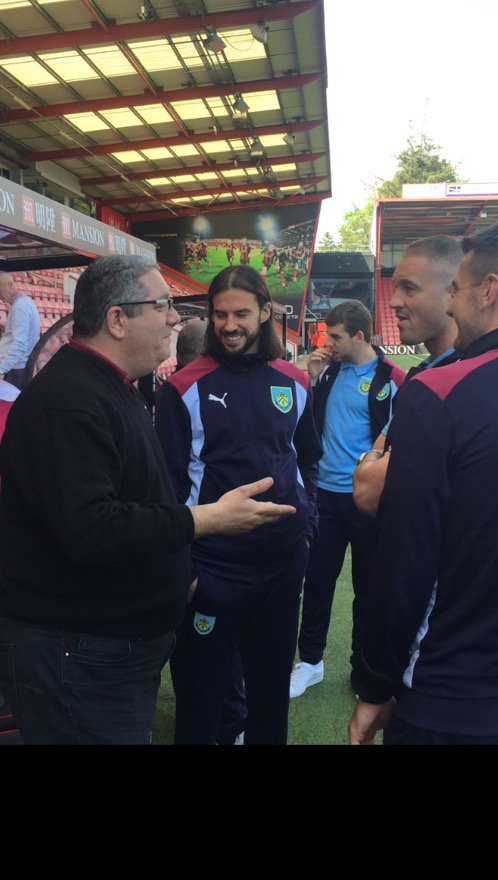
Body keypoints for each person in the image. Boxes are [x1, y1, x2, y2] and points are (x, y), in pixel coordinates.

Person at [0, 256, 296, 745]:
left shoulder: (107, 387)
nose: (177, 319)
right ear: (117, 320)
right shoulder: (68, 400)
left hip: (102, 650)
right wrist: (206, 520)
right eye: (162, 305)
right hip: (78, 655)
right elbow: (93, 530)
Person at [349, 215, 498, 745]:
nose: (449, 304)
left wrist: (374, 684)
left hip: (456, 704)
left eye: (456, 289)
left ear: (488, 292)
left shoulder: (437, 393)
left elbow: (405, 559)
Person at [155, 264, 322, 744]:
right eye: (220, 314)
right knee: (204, 708)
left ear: (266, 311)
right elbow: (165, 488)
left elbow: (307, 458)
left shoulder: (295, 381)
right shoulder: (182, 388)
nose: (230, 325)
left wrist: (306, 526)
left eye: (242, 313)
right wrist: (187, 571)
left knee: (269, 702)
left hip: (281, 569)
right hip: (214, 574)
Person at [290, 300, 406, 698]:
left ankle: (363, 669)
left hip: (368, 501)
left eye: (335, 336)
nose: (328, 342)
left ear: (359, 335)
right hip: (324, 497)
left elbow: (400, 439)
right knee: (317, 580)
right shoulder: (330, 371)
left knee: (369, 589)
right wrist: (313, 379)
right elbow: (306, 426)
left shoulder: (393, 379)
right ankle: (310, 663)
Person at [156, 317, 247, 745]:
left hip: (205, 560)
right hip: (199, 558)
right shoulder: (178, 394)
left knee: (210, 662)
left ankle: (227, 722)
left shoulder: (195, 392)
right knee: (206, 662)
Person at [353, 236, 462, 516]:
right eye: (396, 287)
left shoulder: (457, 385)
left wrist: (371, 459)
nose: (393, 302)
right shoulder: (424, 373)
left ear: (453, 293)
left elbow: (367, 491)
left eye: (409, 289)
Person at [0, 272, 40, 389]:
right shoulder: (25, 303)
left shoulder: (20, 308)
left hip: (14, 371)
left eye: (0, 290)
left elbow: (19, 343)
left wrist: (2, 369)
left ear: (10, 285)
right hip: (16, 369)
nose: (0, 297)